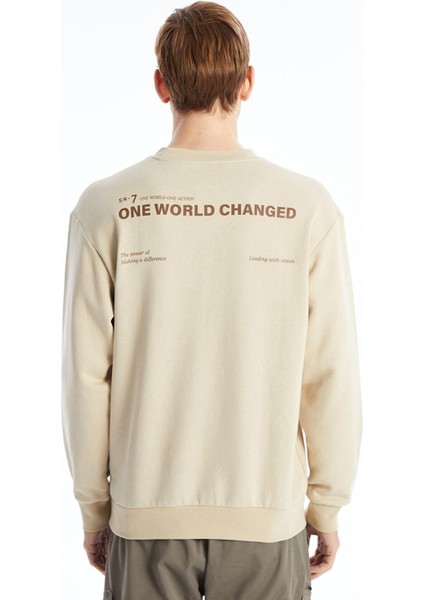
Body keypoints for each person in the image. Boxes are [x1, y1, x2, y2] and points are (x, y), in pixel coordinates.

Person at [61, 2, 362, 598]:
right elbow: (330, 372)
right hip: (266, 516)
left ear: (161, 84)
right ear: (247, 82)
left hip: (146, 515)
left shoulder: (106, 207)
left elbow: (86, 377)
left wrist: (95, 507)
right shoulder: (306, 208)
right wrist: (326, 506)